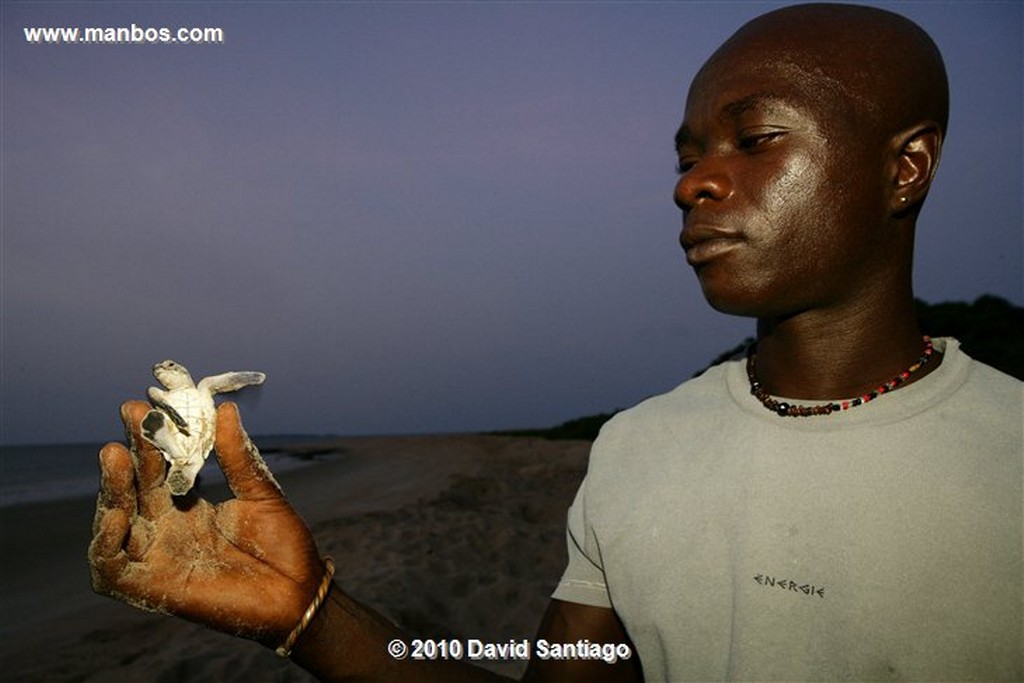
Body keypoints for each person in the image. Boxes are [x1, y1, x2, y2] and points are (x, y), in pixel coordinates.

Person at [89, 3, 1023, 681]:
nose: (693, 184)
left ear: (906, 168)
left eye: (755, 140)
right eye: (688, 154)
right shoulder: (636, 447)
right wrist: (312, 613)